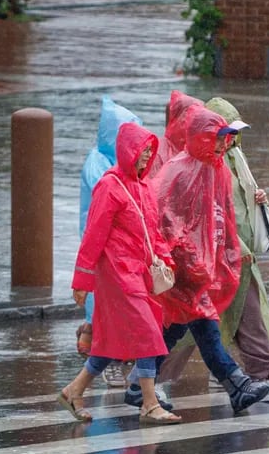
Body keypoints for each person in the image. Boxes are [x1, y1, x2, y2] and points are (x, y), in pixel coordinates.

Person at [148, 105, 269, 414]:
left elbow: (223, 216)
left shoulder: (216, 169)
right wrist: (185, 254)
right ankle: (236, 383)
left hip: (202, 266)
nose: (223, 144)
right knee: (203, 325)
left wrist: (227, 253)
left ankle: (140, 382)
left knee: (177, 328)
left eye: (225, 138)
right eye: (218, 138)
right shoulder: (179, 170)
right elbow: (165, 215)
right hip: (183, 267)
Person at [59, 122, 181, 424]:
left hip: (136, 274)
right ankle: (150, 403)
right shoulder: (109, 185)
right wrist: (82, 281)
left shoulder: (142, 186)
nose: (146, 156)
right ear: (128, 150)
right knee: (148, 334)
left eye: (150, 151)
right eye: (142, 150)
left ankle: (73, 390)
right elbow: (93, 236)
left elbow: (152, 232)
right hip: (117, 276)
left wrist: (165, 259)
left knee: (112, 341)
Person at [204, 96, 269, 402]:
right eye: (226, 133)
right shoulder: (205, 163)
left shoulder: (235, 157)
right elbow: (212, 211)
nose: (231, 140)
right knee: (190, 326)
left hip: (239, 254)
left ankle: (253, 373)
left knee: (247, 312)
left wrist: (258, 202)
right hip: (217, 254)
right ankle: (148, 377)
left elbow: (236, 205)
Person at [76, 95, 143, 388]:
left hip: (126, 248)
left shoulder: (121, 162)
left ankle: (103, 346)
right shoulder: (99, 164)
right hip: (106, 247)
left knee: (124, 309)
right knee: (106, 305)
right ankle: (107, 357)